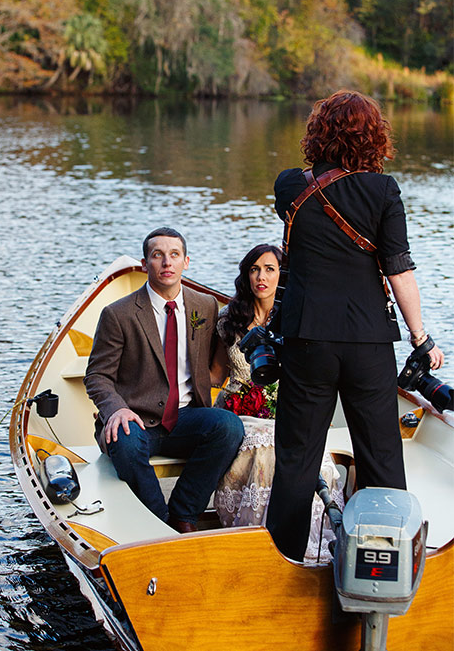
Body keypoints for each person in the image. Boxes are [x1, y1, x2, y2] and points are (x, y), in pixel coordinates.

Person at [266, 89, 444, 562]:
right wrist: (421, 338)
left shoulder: (290, 186)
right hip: (367, 341)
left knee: (297, 457)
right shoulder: (383, 191)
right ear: (374, 137)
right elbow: (399, 269)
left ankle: (282, 563)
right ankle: (384, 559)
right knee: (380, 455)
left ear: (318, 133)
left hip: (307, 339)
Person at [84, 227, 244, 533]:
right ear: (145, 264)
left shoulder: (205, 306)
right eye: (158, 255)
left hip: (186, 417)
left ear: (186, 262)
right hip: (136, 418)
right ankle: (159, 521)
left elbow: (217, 362)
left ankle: (184, 514)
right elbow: (97, 375)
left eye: (174, 255)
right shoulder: (119, 314)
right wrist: (116, 409)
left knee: (228, 427)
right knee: (124, 440)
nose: (167, 262)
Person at [211, 244, 344, 562]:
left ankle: (301, 535)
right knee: (266, 446)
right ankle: (258, 535)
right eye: (254, 269)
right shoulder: (229, 320)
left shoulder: (298, 317)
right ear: (246, 276)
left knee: (309, 452)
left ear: (283, 276)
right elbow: (216, 374)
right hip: (239, 411)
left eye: (270, 269)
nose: (262, 276)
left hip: (288, 408)